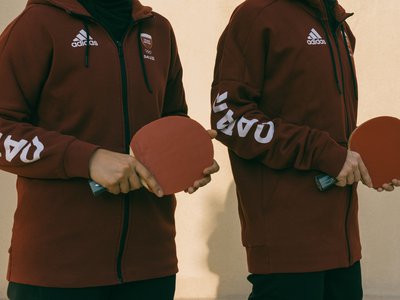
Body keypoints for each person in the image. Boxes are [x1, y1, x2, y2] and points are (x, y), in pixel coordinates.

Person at [0, 0, 219, 299]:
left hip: (151, 266)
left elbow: (173, 115)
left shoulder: (159, 30)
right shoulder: (37, 25)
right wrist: (87, 159)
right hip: (58, 270)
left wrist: (184, 158)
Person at [211, 0, 399, 299]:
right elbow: (229, 117)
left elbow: (328, 129)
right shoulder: (257, 15)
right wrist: (324, 153)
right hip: (287, 247)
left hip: (344, 246)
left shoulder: (339, 25)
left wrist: (361, 164)